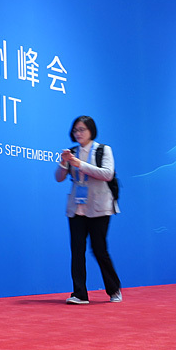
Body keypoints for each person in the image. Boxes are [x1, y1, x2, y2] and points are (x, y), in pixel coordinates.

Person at [54, 115, 121, 305]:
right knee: (77, 250)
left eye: (82, 129)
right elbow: (59, 178)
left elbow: (107, 174)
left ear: (91, 130)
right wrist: (63, 163)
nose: (78, 133)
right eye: (75, 130)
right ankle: (80, 294)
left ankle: (114, 289)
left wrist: (80, 164)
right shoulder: (71, 152)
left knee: (99, 249)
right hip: (77, 208)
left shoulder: (103, 150)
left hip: (99, 207)